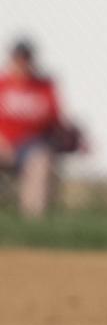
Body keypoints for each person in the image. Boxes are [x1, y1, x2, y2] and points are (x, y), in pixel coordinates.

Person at [0, 39, 78, 217]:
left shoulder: (44, 87)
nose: (22, 64)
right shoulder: (2, 85)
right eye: (18, 59)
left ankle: (32, 217)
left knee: (41, 159)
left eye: (26, 59)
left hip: (32, 146)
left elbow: (56, 121)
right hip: (3, 143)